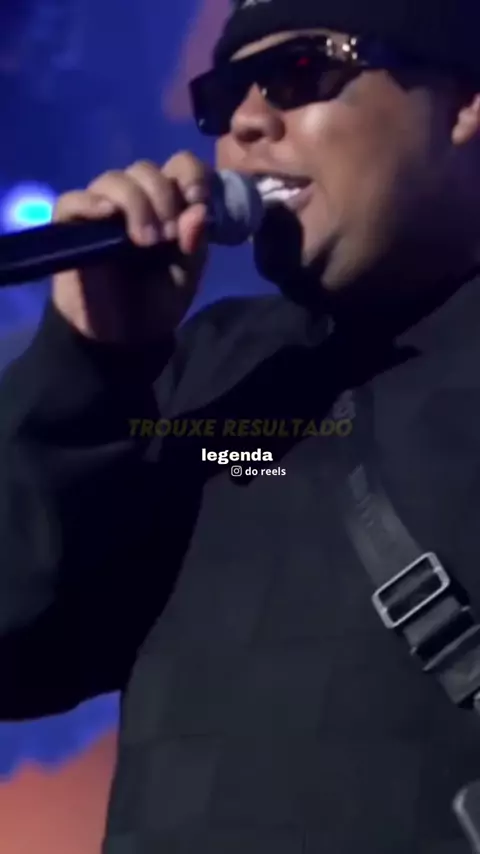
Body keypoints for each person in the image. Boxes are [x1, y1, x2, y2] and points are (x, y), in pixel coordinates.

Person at [2, 0, 480, 850]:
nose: (247, 123)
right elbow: (15, 647)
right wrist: (89, 368)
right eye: (224, 97)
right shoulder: (207, 373)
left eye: (302, 71)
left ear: (464, 102)